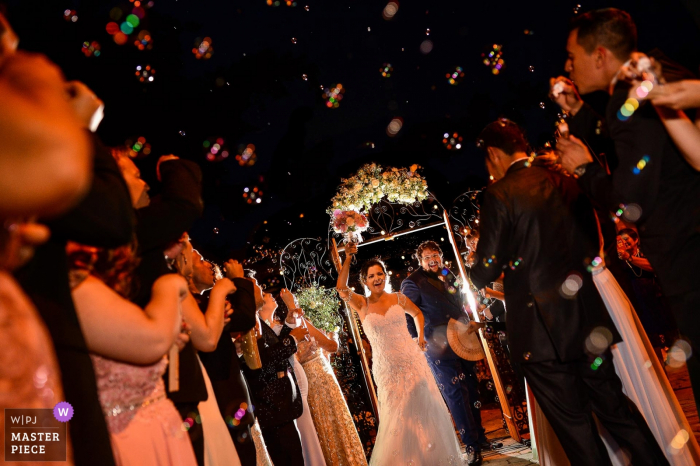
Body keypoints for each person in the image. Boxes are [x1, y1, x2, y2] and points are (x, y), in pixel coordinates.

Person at [470, 119, 669, 466]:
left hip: (540, 333)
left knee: (576, 430)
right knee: (616, 409)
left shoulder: (498, 195)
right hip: (586, 318)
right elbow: (592, 247)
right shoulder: (565, 180)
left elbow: (485, 270)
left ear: (493, 155)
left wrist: (481, 263)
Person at [554, 7, 700, 413]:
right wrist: (579, 112)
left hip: (687, 254)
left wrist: (583, 168)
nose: (568, 66)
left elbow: (628, 201)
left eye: (573, 56)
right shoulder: (638, 87)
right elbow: (616, 133)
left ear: (599, 54)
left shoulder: (632, 95)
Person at [337, 245, 473, 465]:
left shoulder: (399, 298)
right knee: (396, 417)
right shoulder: (362, 304)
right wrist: (348, 258)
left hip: (412, 362)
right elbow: (340, 287)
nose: (376, 278)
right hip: (386, 368)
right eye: (371, 276)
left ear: (385, 276)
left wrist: (420, 337)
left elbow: (417, 313)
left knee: (424, 412)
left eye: (379, 273)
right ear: (365, 281)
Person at [67, 240, 197, 466]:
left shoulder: (91, 288)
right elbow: (27, 428)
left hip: (162, 436)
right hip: (124, 447)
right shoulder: (67, 287)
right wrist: (169, 285)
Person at [400, 240, 495, 463]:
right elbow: (407, 313)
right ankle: (471, 445)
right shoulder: (411, 282)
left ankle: (480, 437)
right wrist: (416, 337)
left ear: (441, 256)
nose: (433, 260)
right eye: (427, 257)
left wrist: (468, 320)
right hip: (437, 344)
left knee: (472, 388)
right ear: (420, 260)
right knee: (455, 394)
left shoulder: (447, 272)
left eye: (436, 255)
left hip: (462, 337)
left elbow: (458, 301)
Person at [279, 288, 365, 466]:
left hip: (315, 379)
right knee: (330, 423)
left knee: (328, 426)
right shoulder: (293, 326)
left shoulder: (283, 329)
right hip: (317, 380)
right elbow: (330, 346)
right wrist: (292, 305)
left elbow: (325, 348)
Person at [176, 243, 241, 466]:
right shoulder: (174, 287)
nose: (209, 265)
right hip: (191, 386)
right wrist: (222, 289)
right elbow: (207, 340)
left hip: (199, 381)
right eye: (199, 259)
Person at [239, 274, 309, 466]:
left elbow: (273, 349)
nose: (262, 289)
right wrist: (292, 339)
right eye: (256, 285)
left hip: (280, 406)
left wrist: (288, 326)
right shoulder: (247, 326)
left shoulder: (258, 322)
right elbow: (261, 362)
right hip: (272, 407)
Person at [198, 260, 258, 465]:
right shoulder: (201, 305)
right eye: (199, 259)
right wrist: (238, 280)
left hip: (230, 404)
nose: (208, 264)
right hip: (221, 404)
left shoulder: (202, 303)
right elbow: (244, 316)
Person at [259, 290, 327, 466]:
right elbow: (275, 354)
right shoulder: (258, 327)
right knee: (301, 437)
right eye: (261, 290)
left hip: (293, 385)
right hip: (283, 389)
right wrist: (292, 339)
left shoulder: (269, 325)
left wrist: (290, 320)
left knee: (304, 434)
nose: (266, 292)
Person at [617, 228, 679, 363]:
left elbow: (653, 267)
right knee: (649, 333)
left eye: (626, 239)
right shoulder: (619, 260)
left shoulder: (645, 253)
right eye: (621, 241)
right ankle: (658, 359)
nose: (624, 243)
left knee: (666, 327)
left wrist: (631, 258)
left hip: (655, 295)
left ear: (636, 240)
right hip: (637, 299)